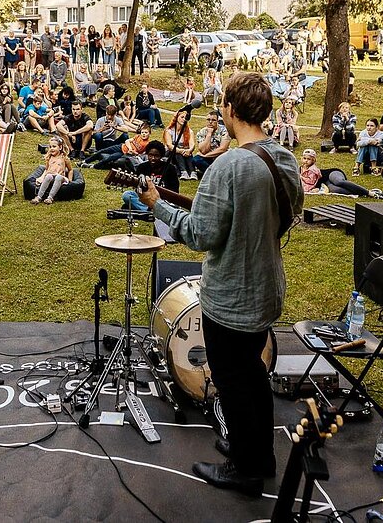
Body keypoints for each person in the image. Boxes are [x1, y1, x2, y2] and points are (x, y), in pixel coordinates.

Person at [140, 72, 303, 498]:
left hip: (231, 295)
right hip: (267, 287)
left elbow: (201, 234)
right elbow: (289, 210)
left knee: (232, 382)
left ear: (230, 109)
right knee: (254, 374)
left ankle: (245, 470)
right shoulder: (283, 157)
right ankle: (259, 454)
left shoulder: (227, 165)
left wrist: (158, 205)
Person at [299, 149, 383, 199]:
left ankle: (370, 193)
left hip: (331, 173)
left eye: (308, 159)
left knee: (339, 182)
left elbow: (312, 181)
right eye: (304, 158)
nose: (306, 161)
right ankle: (363, 193)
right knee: (336, 190)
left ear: (313, 160)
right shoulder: (300, 169)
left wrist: (311, 186)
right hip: (326, 182)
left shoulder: (313, 169)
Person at [121, 140, 179, 212]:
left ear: (161, 156)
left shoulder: (170, 168)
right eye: (150, 155)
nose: (153, 158)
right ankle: (151, 210)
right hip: (146, 198)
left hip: (163, 200)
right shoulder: (142, 167)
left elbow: (175, 190)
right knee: (127, 195)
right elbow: (138, 189)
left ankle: (148, 210)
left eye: (156, 156)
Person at [31, 136, 72, 204]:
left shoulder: (64, 158)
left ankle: (50, 198)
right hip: (51, 178)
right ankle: (38, 197)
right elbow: (46, 169)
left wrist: (70, 181)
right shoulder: (49, 158)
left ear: (60, 147)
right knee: (48, 176)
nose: (51, 148)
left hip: (60, 178)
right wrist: (41, 177)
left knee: (58, 177)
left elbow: (70, 170)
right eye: (50, 147)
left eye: (54, 146)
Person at [193, 110, 231, 177]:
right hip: (209, 158)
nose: (210, 122)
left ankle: (209, 173)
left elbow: (222, 149)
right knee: (196, 159)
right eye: (208, 120)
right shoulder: (202, 132)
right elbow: (203, 150)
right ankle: (215, 174)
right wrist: (209, 134)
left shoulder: (225, 131)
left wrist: (205, 156)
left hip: (221, 157)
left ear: (217, 121)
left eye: (213, 120)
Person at [163, 109, 197, 180]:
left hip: (184, 154)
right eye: (182, 117)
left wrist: (189, 150)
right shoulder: (169, 130)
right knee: (176, 147)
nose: (184, 119)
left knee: (187, 149)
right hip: (170, 154)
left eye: (185, 118)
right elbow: (169, 145)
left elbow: (192, 145)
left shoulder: (189, 131)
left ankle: (192, 172)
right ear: (176, 118)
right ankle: (183, 171)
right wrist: (181, 151)